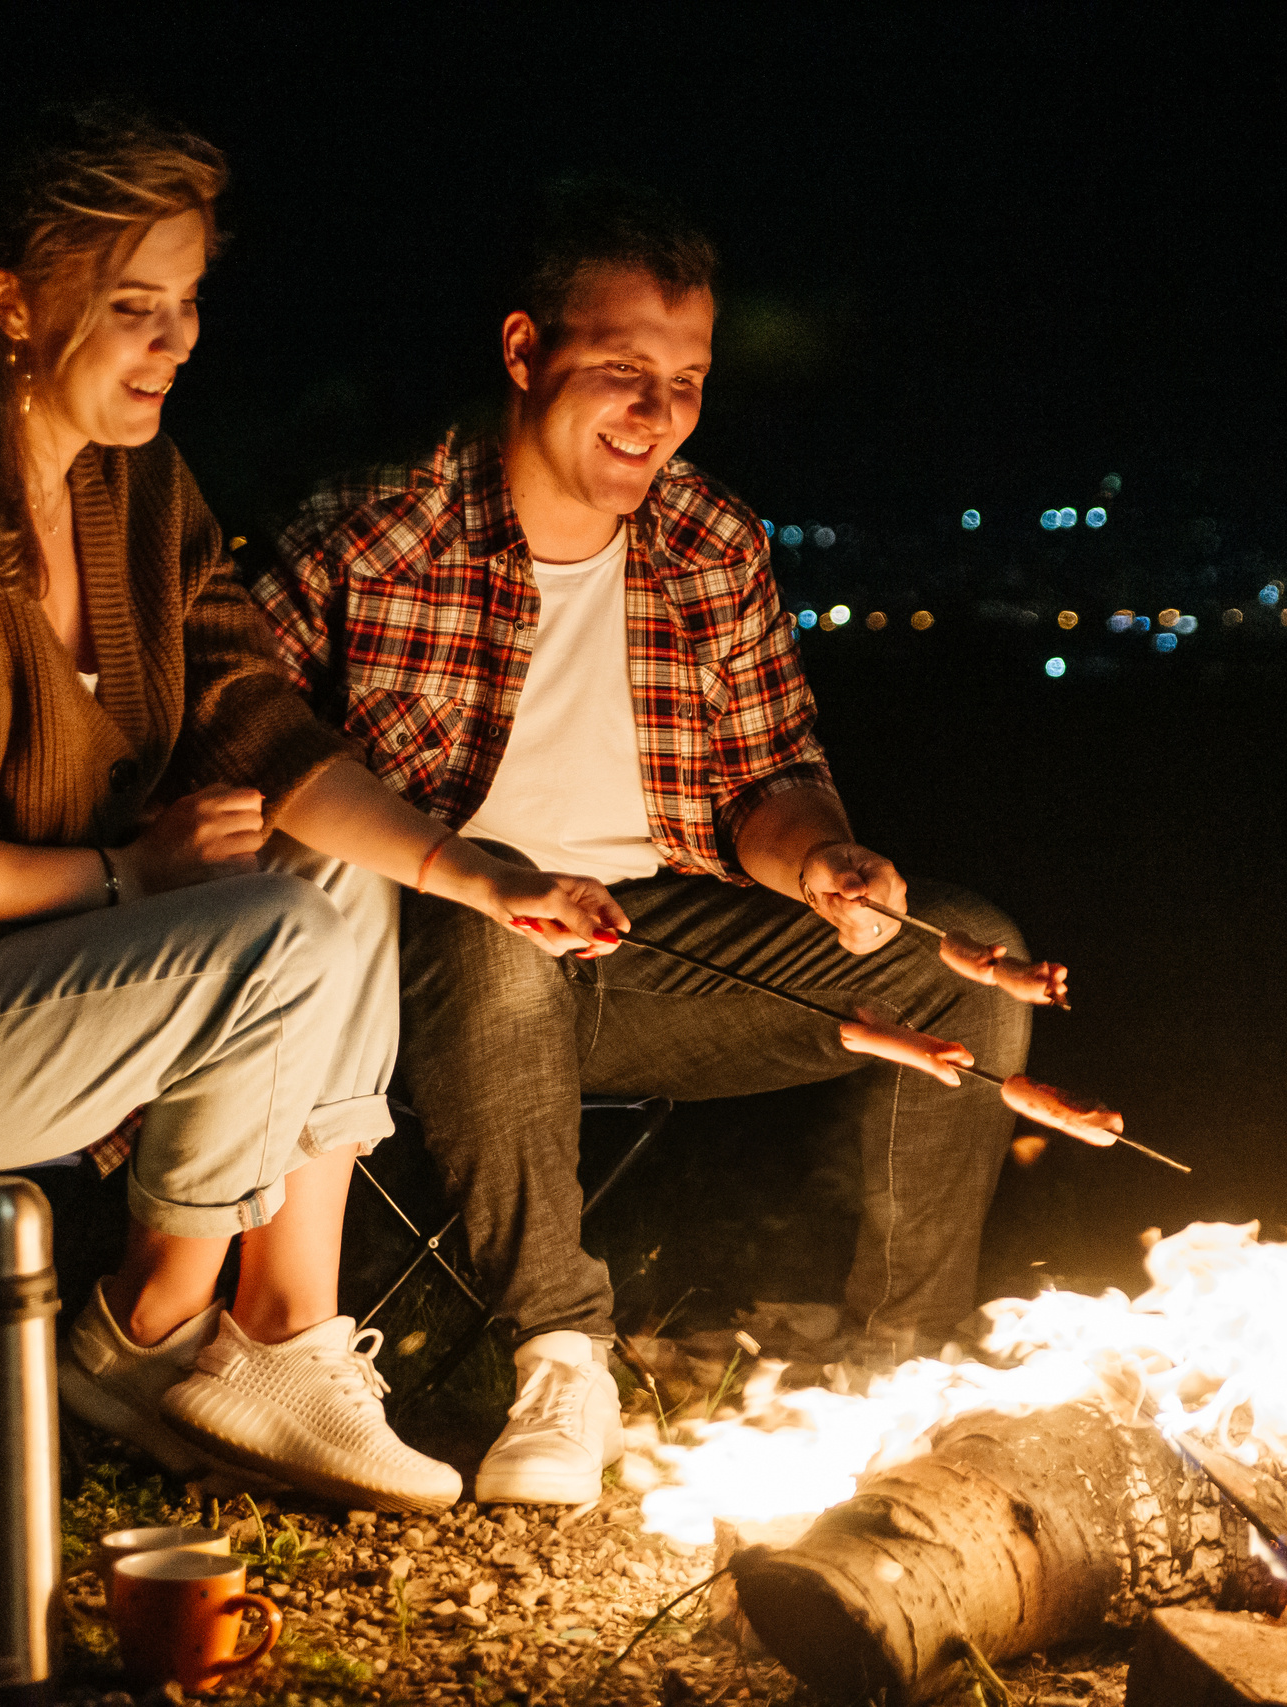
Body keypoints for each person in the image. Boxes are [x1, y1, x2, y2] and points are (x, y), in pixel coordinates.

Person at [0, 109, 624, 1515]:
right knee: (263, 926)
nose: (180, 341)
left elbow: (253, 712)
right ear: (11, 306)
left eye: (190, 302)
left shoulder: (134, 490)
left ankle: (279, 1336)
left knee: (322, 862)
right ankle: (148, 1327)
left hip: (35, 996)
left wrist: (469, 872)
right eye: (135, 308)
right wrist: (116, 877)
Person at [250, 179, 1034, 1507]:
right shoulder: (376, 529)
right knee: (493, 937)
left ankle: (901, 1377)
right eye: (623, 370)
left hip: (640, 945)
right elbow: (239, 741)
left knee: (966, 965)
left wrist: (825, 863)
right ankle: (564, 1361)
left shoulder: (709, 542)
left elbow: (771, 781)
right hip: (424, 967)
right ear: (523, 353)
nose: (658, 412)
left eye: (687, 377)